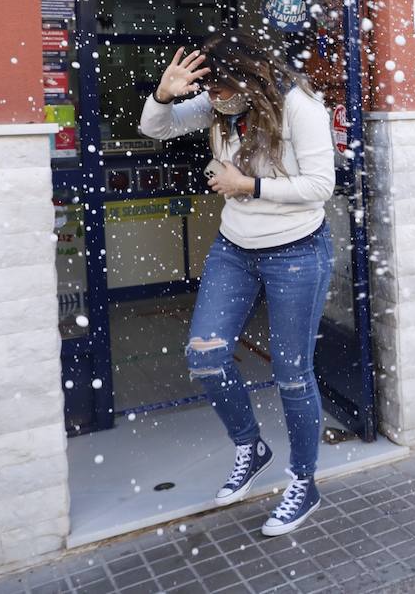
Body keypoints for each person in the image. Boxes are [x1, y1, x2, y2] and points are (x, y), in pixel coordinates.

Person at [139, 32, 336, 538]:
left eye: (226, 88)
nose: (217, 98)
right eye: (213, 90)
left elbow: (321, 186)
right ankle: (251, 447)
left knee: (293, 375)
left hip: (297, 248)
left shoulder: (299, 105)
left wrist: (247, 186)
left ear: (253, 77)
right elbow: (155, 129)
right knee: (206, 355)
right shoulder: (219, 103)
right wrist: (164, 94)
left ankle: (304, 481)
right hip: (235, 248)